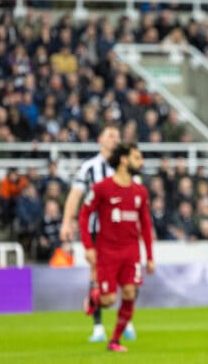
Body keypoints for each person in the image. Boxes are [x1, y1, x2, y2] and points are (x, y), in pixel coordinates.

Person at [59, 124, 136, 342]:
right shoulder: (89, 168)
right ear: (100, 140)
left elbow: (136, 197)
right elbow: (75, 196)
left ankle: (125, 321)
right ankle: (98, 327)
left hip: (123, 232)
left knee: (125, 277)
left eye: (118, 136)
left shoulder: (126, 165)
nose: (115, 139)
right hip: (98, 231)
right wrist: (67, 221)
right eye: (110, 135)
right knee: (97, 275)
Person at [78, 142, 154, 352]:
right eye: (137, 157)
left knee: (130, 294)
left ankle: (114, 341)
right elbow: (84, 215)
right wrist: (88, 246)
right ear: (124, 160)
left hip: (131, 252)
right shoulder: (101, 188)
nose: (142, 162)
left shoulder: (140, 191)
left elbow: (146, 225)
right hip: (107, 251)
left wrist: (149, 256)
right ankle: (94, 299)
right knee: (108, 300)